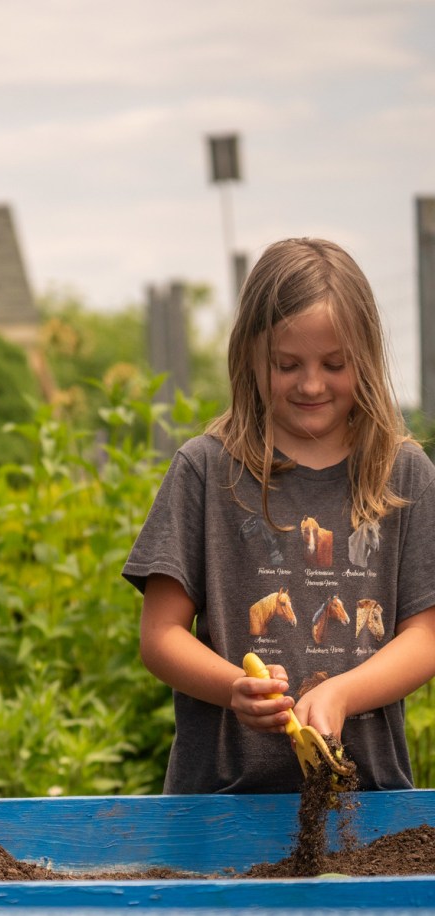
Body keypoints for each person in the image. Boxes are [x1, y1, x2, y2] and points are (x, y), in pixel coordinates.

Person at [124, 237, 435, 793]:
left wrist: (342, 692)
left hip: (368, 798)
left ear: (365, 358)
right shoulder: (205, 469)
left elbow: (426, 636)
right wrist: (232, 689)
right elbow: (160, 635)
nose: (311, 384)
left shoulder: (404, 472)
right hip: (219, 801)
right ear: (249, 354)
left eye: (334, 364)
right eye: (287, 364)